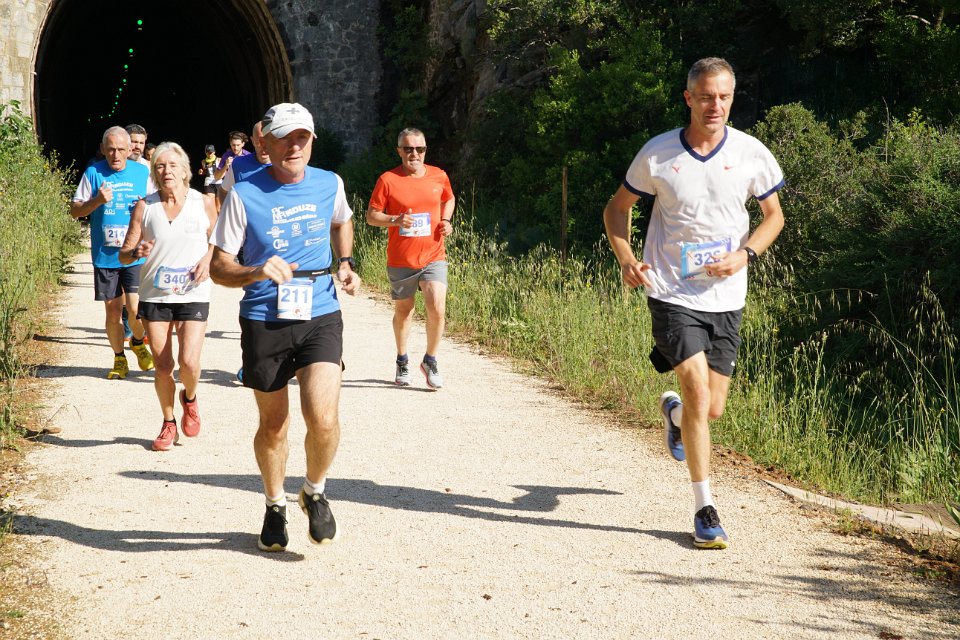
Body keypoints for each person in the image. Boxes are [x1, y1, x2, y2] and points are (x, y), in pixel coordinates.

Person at [602, 57, 785, 550]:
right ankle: (705, 509)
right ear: (688, 98)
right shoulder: (658, 154)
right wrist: (627, 259)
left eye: (723, 96)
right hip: (670, 290)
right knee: (700, 395)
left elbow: (774, 216)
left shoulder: (750, 152)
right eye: (705, 96)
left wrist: (745, 255)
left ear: (732, 98)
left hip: (726, 296)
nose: (715, 105)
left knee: (712, 408)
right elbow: (616, 210)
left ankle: (675, 416)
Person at [210, 103, 360, 552]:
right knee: (274, 425)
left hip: (319, 311)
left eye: (302, 138)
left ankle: (314, 490)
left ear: (311, 141)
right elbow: (219, 267)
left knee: (324, 418)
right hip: (264, 317)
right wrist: (255, 271)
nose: (294, 146)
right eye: (284, 138)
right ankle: (274, 505)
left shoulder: (330, 183)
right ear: (265, 143)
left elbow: (343, 219)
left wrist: (346, 262)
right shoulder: (243, 194)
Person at [119, 142, 217, 452]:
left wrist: (208, 260)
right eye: (160, 166)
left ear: (185, 170)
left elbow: (219, 241)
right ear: (154, 172)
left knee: (189, 362)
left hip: (193, 291)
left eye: (173, 165)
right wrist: (137, 251)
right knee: (163, 366)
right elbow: (124, 254)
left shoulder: (203, 202)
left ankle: (190, 397)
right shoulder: (145, 206)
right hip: (155, 294)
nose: (166, 171)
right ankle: (168, 422)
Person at [366, 127, 455, 389]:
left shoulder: (439, 175)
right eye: (408, 149)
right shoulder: (388, 179)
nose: (414, 153)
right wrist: (395, 219)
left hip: (433, 254)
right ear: (399, 151)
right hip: (401, 258)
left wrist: (446, 220)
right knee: (404, 312)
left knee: (437, 306)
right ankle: (402, 360)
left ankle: (430, 360)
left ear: (425, 150)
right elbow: (372, 216)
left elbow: (449, 199)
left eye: (419, 149)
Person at [69, 126, 155, 379]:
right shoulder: (93, 173)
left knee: (136, 309)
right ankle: (119, 358)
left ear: (130, 150)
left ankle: (137, 341)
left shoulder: (142, 172)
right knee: (113, 311)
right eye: (110, 150)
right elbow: (75, 211)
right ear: (103, 150)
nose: (115, 155)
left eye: (120, 150)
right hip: (105, 256)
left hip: (135, 253)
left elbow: (159, 207)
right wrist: (97, 201)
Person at [219, 121, 271, 194]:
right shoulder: (227, 156)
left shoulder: (248, 156)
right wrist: (225, 166)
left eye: (238, 145)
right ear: (253, 141)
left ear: (243, 144)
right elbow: (217, 178)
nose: (235, 148)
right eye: (233, 145)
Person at [126, 124, 157, 194]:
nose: (138, 146)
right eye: (134, 142)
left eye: (141, 143)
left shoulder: (151, 168)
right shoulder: (115, 167)